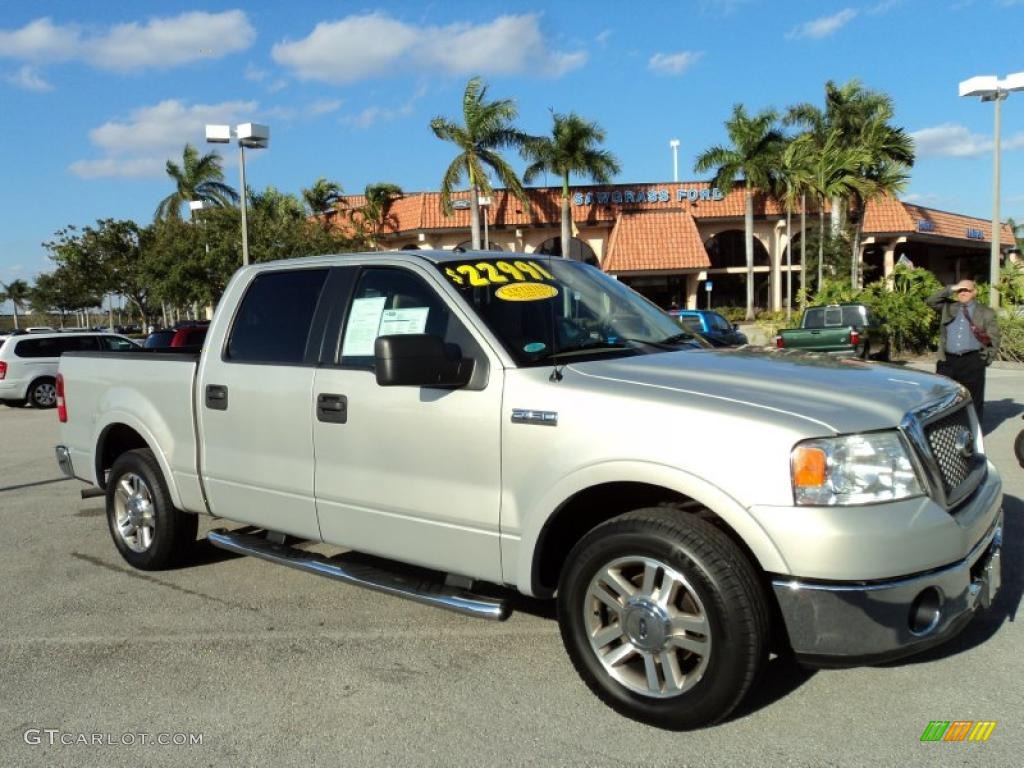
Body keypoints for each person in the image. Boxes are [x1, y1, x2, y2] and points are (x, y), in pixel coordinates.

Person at [927, 279, 1000, 420]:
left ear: (975, 292)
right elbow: (930, 300)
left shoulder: (986, 312)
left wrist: (984, 361)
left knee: (973, 399)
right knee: (942, 397)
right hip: (947, 361)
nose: (963, 292)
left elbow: (994, 339)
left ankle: (973, 431)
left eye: (967, 290)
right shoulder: (948, 307)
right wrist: (952, 287)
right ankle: (943, 428)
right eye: (960, 290)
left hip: (972, 360)